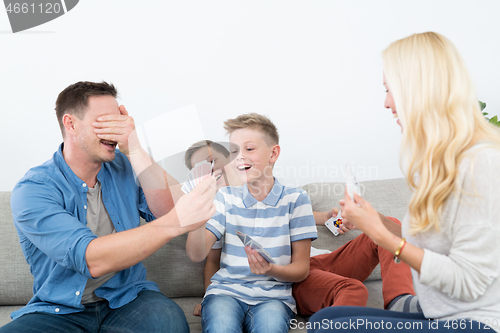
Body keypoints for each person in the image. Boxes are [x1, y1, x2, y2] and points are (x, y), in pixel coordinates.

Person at [308, 32, 500, 332]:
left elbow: (468, 282)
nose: (386, 103)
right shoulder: (439, 164)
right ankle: (404, 305)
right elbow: (426, 244)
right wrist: (375, 221)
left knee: (333, 328)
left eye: (390, 89)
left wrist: (381, 236)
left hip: (474, 323)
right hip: (439, 313)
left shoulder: (481, 163)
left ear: (421, 89)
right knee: (324, 321)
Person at [0, 81, 217, 333]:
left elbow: (173, 209)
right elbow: (91, 260)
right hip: (60, 310)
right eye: (105, 122)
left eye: (119, 121)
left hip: (129, 299)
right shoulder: (34, 189)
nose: (115, 131)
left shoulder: (125, 165)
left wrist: (134, 148)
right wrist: (173, 222)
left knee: (169, 322)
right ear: (70, 124)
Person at [186, 141, 418, 318]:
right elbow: (212, 263)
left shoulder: (281, 196)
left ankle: (401, 302)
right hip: (292, 277)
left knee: (391, 223)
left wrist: (332, 218)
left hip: (320, 260)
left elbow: (304, 217)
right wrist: (209, 298)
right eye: (201, 168)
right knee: (353, 289)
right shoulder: (219, 208)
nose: (210, 169)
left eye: (213, 160)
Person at [185, 113, 318, 333]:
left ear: (273, 153)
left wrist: (271, 269)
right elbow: (197, 255)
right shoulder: (224, 197)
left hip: (274, 299)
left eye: (249, 149)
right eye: (234, 151)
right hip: (224, 294)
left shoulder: (296, 199)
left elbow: (302, 270)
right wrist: (197, 219)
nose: (239, 157)